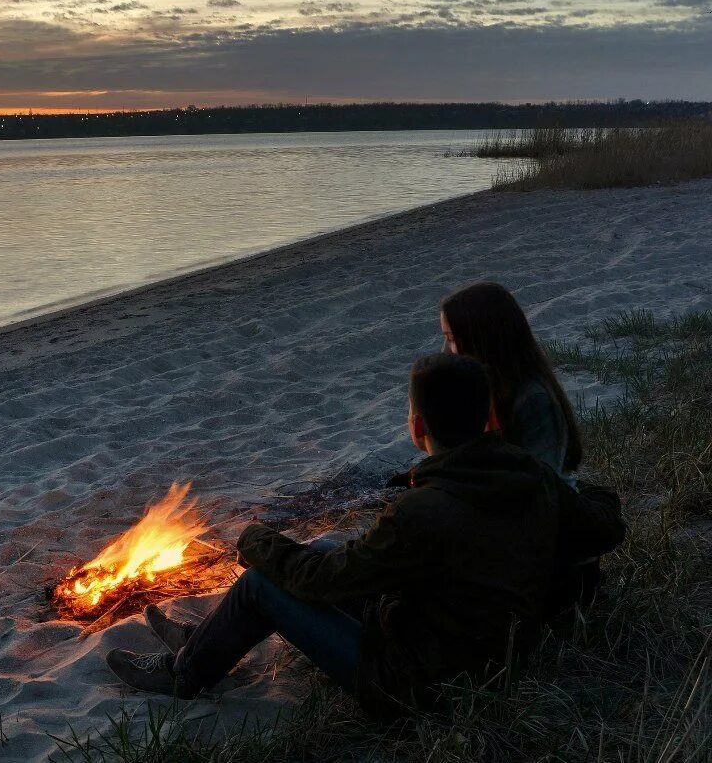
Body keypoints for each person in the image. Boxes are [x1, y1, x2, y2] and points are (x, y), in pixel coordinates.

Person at [105, 354, 625, 719]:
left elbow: (323, 582)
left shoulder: (425, 510)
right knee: (329, 547)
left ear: (418, 426)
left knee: (263, 586)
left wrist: (257, 539)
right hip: (483, 648)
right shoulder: (531, 480)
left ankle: (184, 673)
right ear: (489, 419)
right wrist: (568, 489)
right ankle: (205, 642)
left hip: (417, 684)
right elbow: (606, 524)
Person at [439, 281, 583, 479]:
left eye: (452, 339)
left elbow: (540, 482)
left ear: (483, 339)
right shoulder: (485, 391)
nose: (445, 351)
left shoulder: (533, 400)